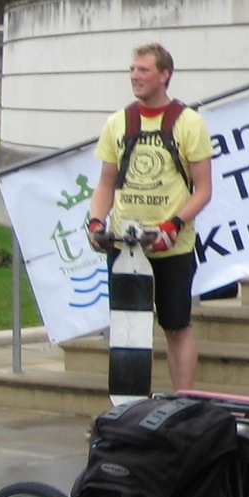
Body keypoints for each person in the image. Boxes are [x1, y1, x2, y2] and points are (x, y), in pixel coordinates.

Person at [87, 42, 213, 391]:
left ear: (164, 75)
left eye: (143, 70)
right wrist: (96, 223)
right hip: (125, 246)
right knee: (126, 328)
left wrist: (173, 224)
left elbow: (203, 190)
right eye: (132, 69)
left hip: (173, 247)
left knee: (176, 326)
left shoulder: (189, 123)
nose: (134, 76)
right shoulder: (118, 122)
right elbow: (105, 185)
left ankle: (182, 403)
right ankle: (126, 409)